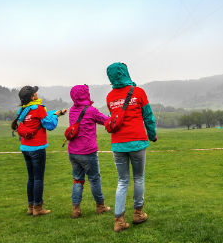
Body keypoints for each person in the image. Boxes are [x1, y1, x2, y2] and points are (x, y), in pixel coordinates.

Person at [106, 63, 157, 232]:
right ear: (125, 73)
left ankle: (118, 220)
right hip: (137, 141)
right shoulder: (139, 92)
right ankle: (138, 213)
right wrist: (152, 134)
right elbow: (148, 115)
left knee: (122, 181)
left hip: (118, 143)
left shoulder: (110, 96)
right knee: (138, 178)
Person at [11, 86, 67, 217]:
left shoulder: (22, 110)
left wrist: (54, 113)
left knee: (31, 178)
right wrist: (57, 115)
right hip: (37, 148)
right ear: (32, 97)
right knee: (38, 179)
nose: (37, 93)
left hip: (25, 148)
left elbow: (41, 118)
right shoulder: (38, 108)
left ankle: (30, 207)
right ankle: (38, 208)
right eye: (34, 92)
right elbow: (49, 125)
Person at [67, 84, 111, 219]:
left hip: (73, 152)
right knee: (94, 179)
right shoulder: (91, 110)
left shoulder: (72, 110)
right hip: (88, 152)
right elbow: (106, 121)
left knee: (77, 180)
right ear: (85, 95)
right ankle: (100, 206)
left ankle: (76, 209)